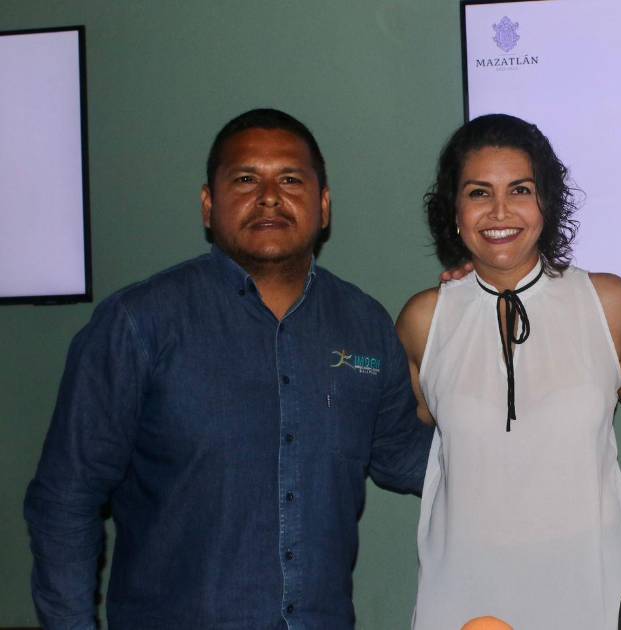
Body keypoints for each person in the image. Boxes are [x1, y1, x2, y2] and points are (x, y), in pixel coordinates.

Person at [23, 108, 434, 629]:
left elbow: (405, 456)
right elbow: (65, 499)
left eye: (291, 180)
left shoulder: (364, 325)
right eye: (245, 180)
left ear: (324, 205)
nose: (269, 197)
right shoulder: (138, 325)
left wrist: (486, 299)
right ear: (208, 205)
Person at [398, 114, 621, 629]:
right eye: (479, 193)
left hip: (589, 591)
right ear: (454, 211)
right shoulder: (424, 320)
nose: (500, 211)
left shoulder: (607, 303)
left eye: (520, 190)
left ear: (546, 201)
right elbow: (399, 436)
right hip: (463, 595)